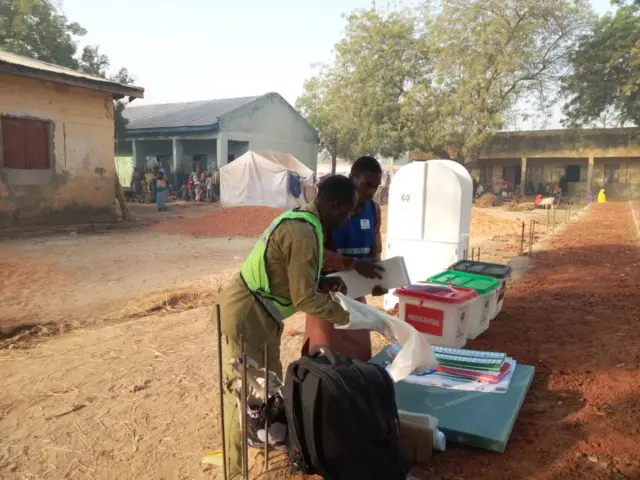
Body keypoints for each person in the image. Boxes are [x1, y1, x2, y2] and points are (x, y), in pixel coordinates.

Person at [215, 175, 359, 479]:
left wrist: (322, 282)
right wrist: (349, 316)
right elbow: (304, 299)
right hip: (246, 316)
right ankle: (234, 470)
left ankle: (267, 440)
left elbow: (291, 277)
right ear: (335, 204)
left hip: (265, 316)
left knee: (270, 386)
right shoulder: (303, 232)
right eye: (348, 212)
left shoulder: (307, 225)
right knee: (241, 393)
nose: (348, 219)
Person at [302, 156, 386, 363]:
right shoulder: (327, 211)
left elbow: (374, 251)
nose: (371, 191)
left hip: (355, 292)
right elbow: (316, 254)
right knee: (325, 355)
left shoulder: (373, 210)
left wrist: (376, 281)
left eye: (375, 187)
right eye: (367, 185)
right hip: (327, 291)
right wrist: (353, 264)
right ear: (353, 178)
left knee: (359, 354)